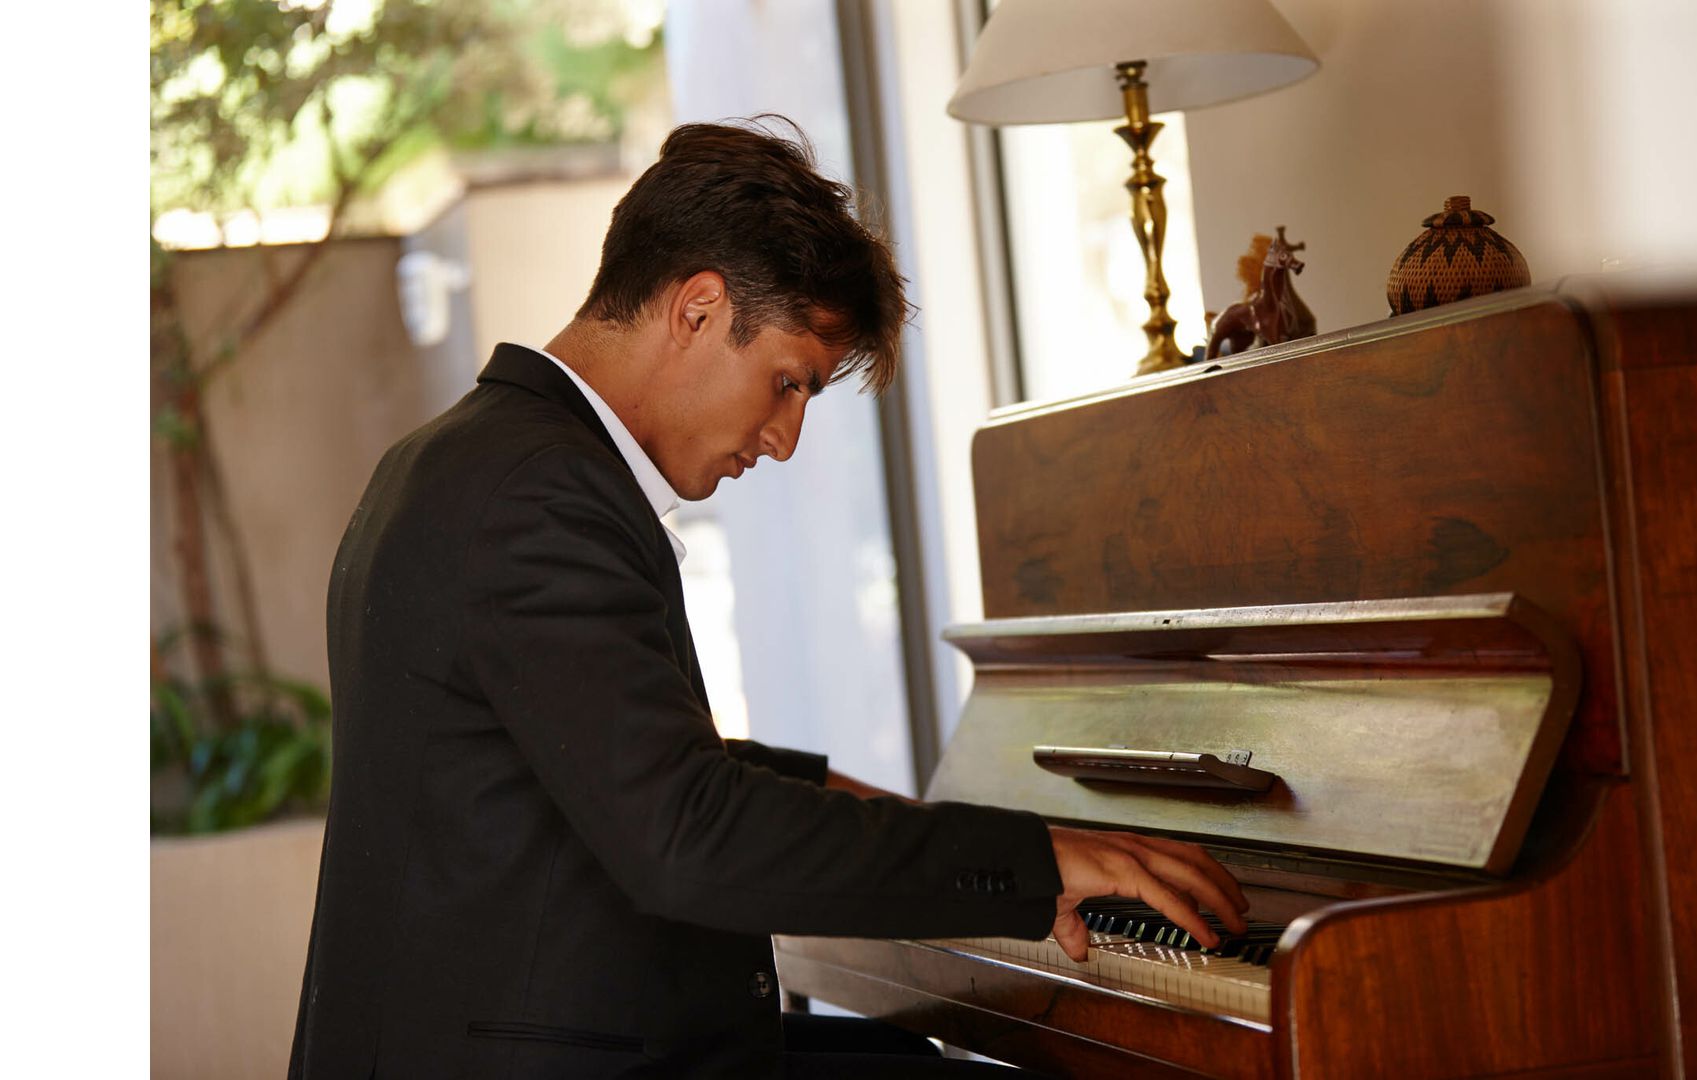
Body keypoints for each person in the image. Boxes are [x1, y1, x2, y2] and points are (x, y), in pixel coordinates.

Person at [288, 117, 1246, 1079]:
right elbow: (684, 836)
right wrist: (1027, 862)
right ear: (698, 310)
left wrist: (853, 802)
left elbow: (599, 756)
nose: (784, 438)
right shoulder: (543, 494)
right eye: (788, 383)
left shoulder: (469, 458)